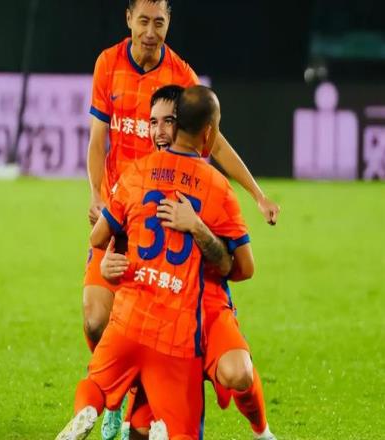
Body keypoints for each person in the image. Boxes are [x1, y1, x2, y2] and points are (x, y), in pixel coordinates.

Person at [83, 0, 280, 436]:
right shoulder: (107, 65)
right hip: (122, 214)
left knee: (163, 327)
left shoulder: (181, 76)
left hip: (169, 220)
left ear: (169, 22)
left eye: (160, 22)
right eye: (143, 21)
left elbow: (216, 141)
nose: (150, 31)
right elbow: (98, 141)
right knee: (96, 320)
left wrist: (257, 193)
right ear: (128, 19)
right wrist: (98, 195)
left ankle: (142, 408)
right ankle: (117, 395)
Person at [57, 86, 250, 440]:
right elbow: (241, 268)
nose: (159, 131)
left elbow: (97, 236)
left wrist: (110, 253)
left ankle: (95, 409)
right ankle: (255, 430)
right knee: (181, 422)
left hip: (132, 319)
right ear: (208, 132)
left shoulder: (135, 174)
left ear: (180, 126)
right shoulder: (217, 188)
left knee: (98, 386)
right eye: (153, 122)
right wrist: (201, 230)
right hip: (177, 328)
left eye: (167, 122)